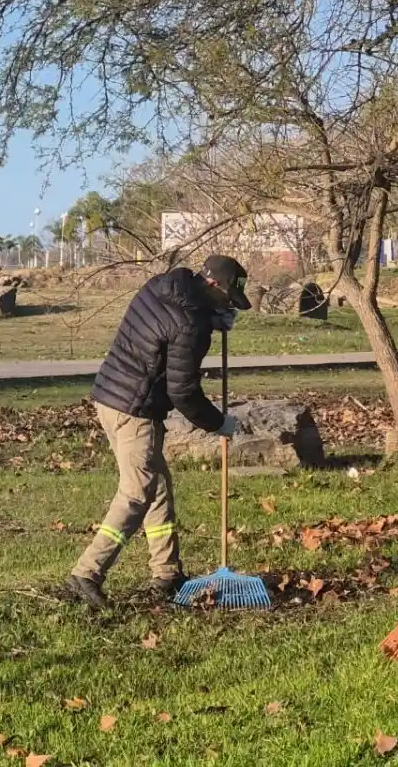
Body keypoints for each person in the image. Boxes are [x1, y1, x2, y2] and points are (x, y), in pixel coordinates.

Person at [66, 254, 252, 610]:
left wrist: (213, 319)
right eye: (226, 300)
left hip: (109, 397)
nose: (228, 305)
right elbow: (183, 391)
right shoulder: (191, 327)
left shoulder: (163, 285)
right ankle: (87, 572)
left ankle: (167, 573)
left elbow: (170, 322)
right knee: (137, 493)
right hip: (137, 410)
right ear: (212, 285)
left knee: (158, 487)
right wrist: (218, 424)